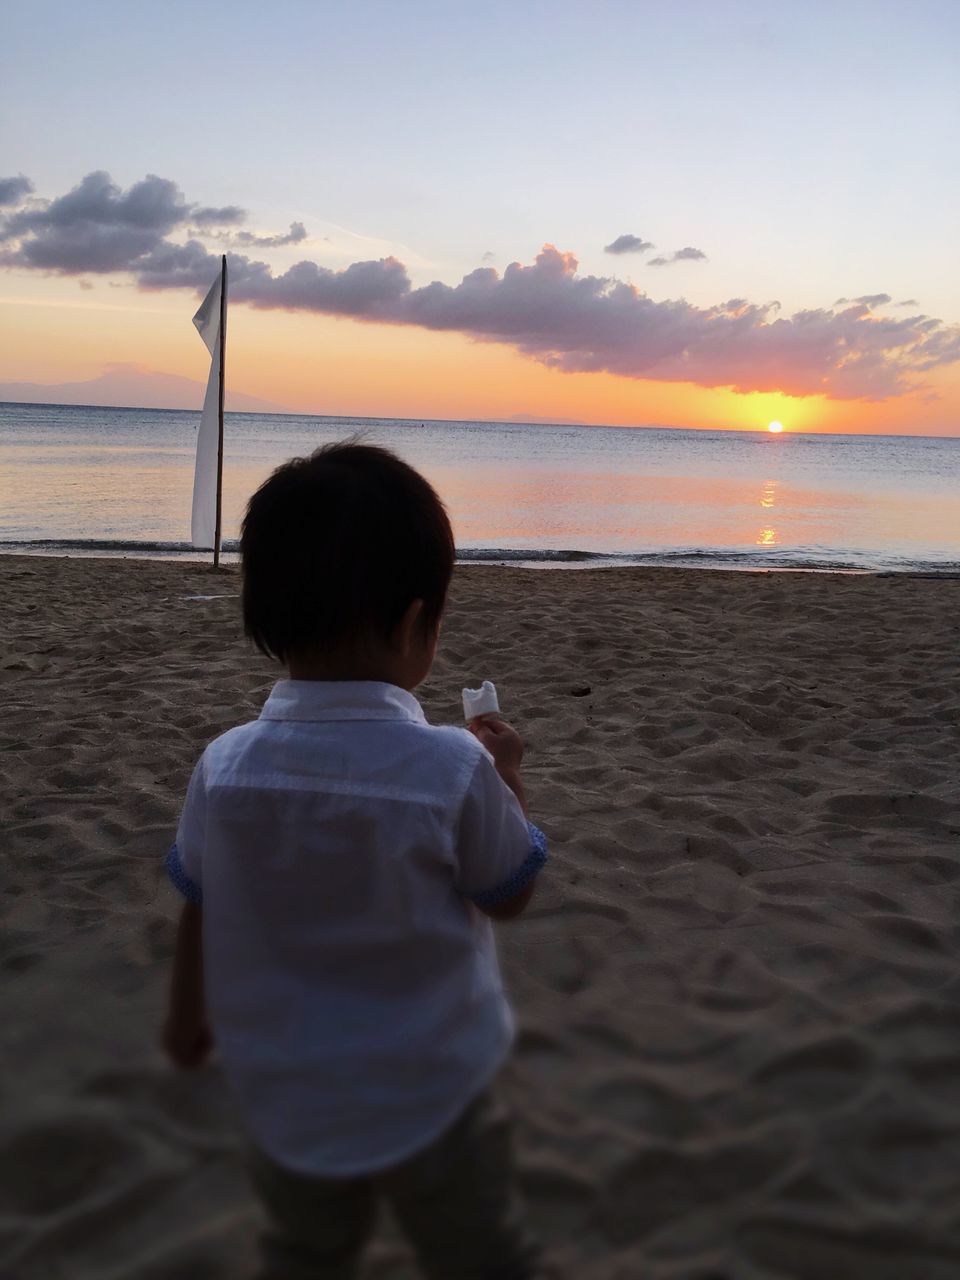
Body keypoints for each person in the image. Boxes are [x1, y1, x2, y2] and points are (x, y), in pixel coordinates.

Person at [163, 442, 548, 1279]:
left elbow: (201, 899)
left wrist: (186, 1015)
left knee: (303, 1252)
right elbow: (509, 887)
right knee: (479, 1253)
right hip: (436, 1090)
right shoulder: (454, 766)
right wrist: (509, 778)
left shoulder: (224, 766)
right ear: (417, 625)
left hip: (287, 1092)